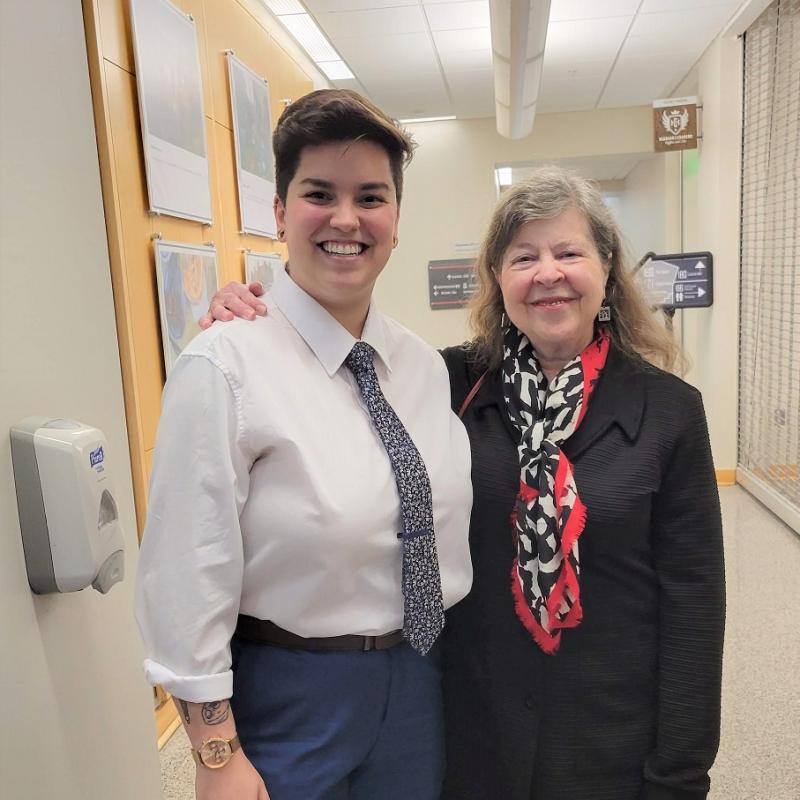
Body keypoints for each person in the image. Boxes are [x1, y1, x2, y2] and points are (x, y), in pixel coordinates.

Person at [208, 165, 725, 799]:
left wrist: (679, 774)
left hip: (611, 738)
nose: (547, 273)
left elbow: (694, 612)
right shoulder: (441, 383)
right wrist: (254, 313)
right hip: (471, 733)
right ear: (499, 280)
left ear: (607, 269)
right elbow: (326, 370)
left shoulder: (669, 411)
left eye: (569, 252)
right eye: (523, 257)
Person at [135, 89, 473, 800]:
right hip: (289, 693)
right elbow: (185, 573)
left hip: (419, 685)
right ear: (282, 213)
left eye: (371, 197)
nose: (346, 219)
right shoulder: (225, 363)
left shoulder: (420, 367)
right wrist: (215, 752)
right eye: (320, 193)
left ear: (396, 220)